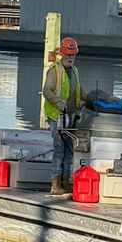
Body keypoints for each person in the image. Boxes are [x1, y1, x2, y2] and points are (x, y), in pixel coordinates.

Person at [42, 34, 83, 188]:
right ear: (62, 54)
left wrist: (91, 99)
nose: (71, 57)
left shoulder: (75, 71)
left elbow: (78, 91)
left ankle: (66, 182)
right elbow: (46, 91)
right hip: (56, 116)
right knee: (59, 149)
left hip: (71, 117)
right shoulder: (55, 70)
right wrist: (57, 101)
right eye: (68, 54)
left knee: (69, 150)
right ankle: (55, 184)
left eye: (73, 55)